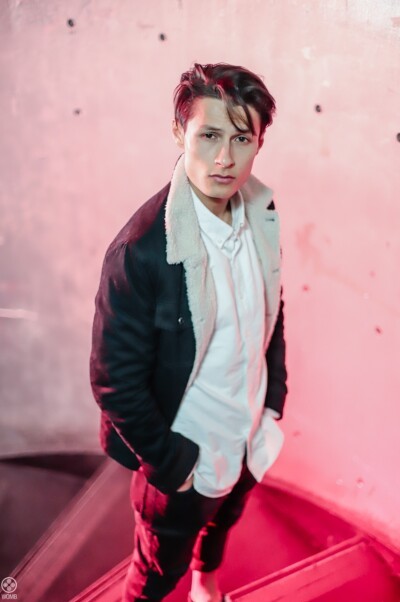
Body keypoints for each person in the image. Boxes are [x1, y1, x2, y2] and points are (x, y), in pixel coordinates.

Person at [90, 62, 288, 602]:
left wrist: (273, 399)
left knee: (223, 522)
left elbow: (272, 306)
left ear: (259, 142)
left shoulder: (261, 208)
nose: (224, 158)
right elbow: (114, 382)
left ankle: (207, 583)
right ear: (179, 133)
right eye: (209, 136)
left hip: (249, 432)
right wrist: (174, 464)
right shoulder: (140, 252)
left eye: (241, 139)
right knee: (156, 572)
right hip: (188, 457)